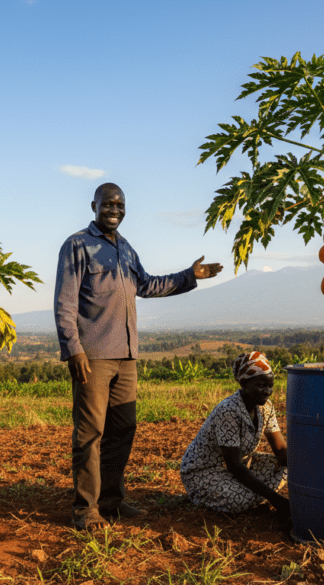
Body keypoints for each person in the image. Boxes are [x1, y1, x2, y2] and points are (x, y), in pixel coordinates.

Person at [54, 182, 223, 531]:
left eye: (120, 205)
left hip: (126, 355)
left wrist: (190, 276)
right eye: (108, 204)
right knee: (90, 434)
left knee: (123, 428)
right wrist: (73, 349)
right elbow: (65, 302)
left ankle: (111, 502)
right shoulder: (77, 245)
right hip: (94, 356)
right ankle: (85, 510)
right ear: (94, 206)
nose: (114, 210)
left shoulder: (126, 249)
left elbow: (146, 285)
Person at [180, 351, 290, 519]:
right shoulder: (229, 411)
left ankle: (251, 495)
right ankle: (205, 496)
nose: (267, 391)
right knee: (239, 500)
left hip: (239, 466)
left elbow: (281, 450)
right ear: (244, 383)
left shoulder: (266, 407)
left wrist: (309, 475)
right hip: (205, 472)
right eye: (261, 385)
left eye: (270, 386)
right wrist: (275, 499)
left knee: (286, 468)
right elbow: (234, 465)